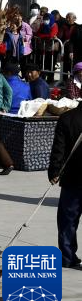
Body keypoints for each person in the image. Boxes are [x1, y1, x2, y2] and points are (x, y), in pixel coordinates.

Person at [49, 100, 82, 269]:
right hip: (73, 177)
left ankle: (67, 256)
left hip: (72, 176)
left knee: (68, 219)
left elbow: (58, 148)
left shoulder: (67, 118)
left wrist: (54, 171)